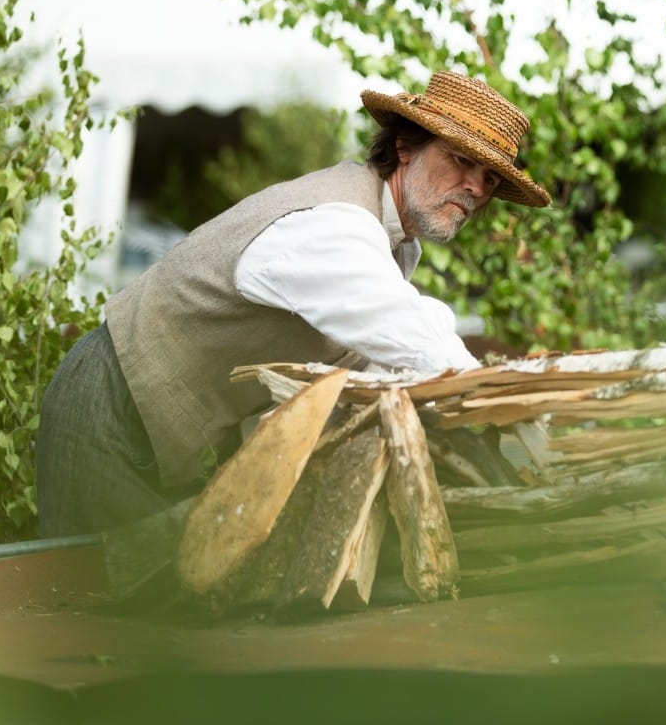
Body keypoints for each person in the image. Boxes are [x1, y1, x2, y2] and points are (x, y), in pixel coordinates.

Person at [35, 71, 551, 538]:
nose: (475, 189)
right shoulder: (337, 222)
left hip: (160, 438)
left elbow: (388, 360)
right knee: (81, 610)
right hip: (110, 410)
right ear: (405, 146)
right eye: (462, 161)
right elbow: (405, 330)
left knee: (142, 622)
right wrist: (500, 401)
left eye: (489, 180)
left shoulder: (391, 247)